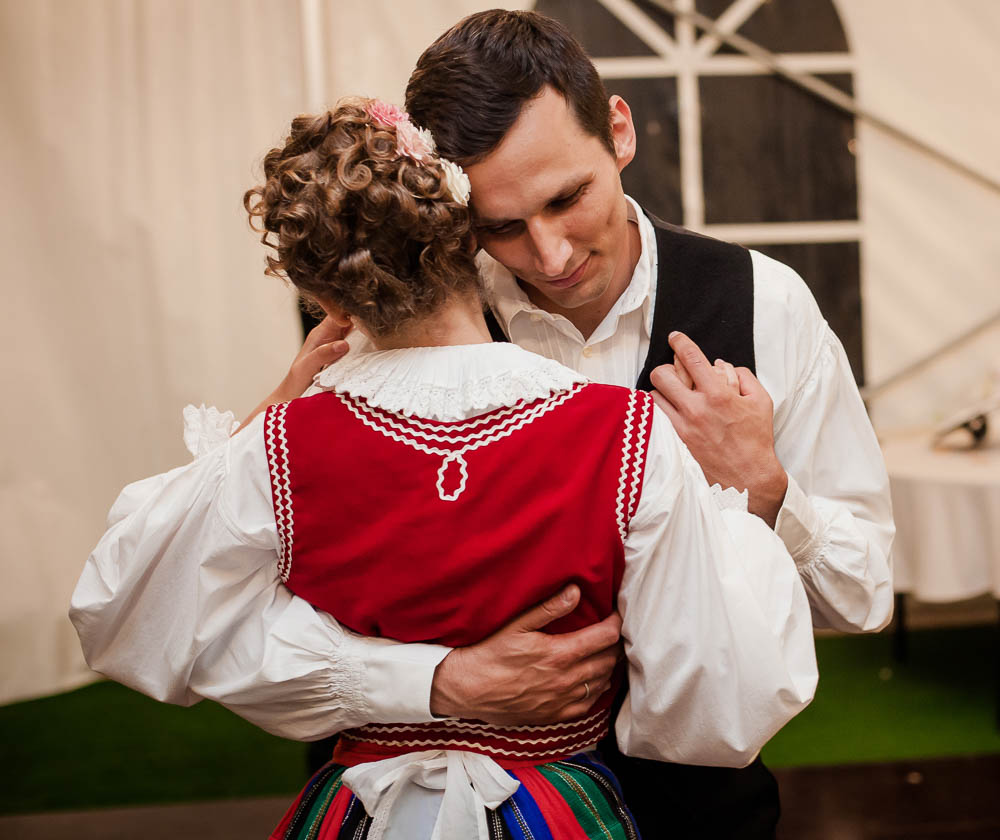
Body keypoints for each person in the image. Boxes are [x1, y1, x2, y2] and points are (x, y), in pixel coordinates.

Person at [79, 11, 894, 839]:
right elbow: (204, 583)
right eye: (501, 226)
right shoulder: (385, 313)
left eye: (568, 198)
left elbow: (862, 596)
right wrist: (431, 683)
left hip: (693, 815)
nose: (551, 254)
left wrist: (765, 492)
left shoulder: (766, 304)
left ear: (619, 132)